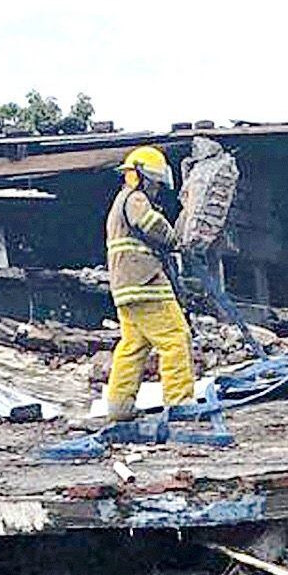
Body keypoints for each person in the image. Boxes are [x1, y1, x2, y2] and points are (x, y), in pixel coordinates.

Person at [103, 144, 196, 422]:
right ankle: (181, 406)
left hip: (126, 288)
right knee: (176, 339)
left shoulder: (118, 203)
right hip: (145, 283)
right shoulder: (134, 199)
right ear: (142, 177)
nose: (155, 191)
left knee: (133, 345)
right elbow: (151, 224)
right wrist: (175, 239)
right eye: (154, 184)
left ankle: (120, 408)